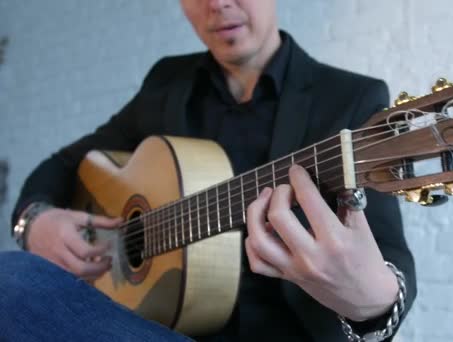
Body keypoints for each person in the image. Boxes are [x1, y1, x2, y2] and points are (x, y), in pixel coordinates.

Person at [1, 0, 417, 341]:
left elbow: (388, 255)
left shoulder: (349, 98)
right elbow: (65, 164)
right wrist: (34, 220)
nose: (217, 4)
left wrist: (373, 301)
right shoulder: (168, 83)